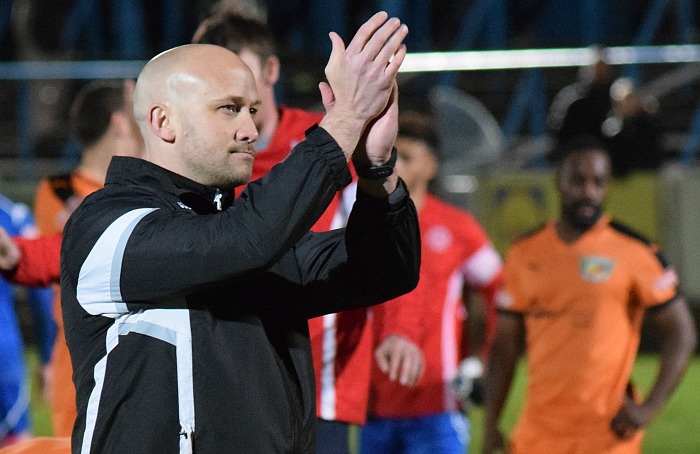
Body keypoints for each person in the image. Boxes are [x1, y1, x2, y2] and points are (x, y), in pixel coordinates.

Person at [61, 12, 418, 454]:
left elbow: (384, 270)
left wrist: (375, 170)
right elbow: (241, 241)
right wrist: (344, 119)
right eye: (229, 108)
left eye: (252, 110)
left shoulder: (243, 235)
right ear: (163, 122)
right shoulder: (107, 226)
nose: (250, 130)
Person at [192, 11, 420, 453]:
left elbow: (385, 241)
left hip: (325, 381)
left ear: (271, 71)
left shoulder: (332, 136)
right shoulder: (204, 158)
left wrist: (399, 327)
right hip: (233, 377)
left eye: (238, 71)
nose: (228, 88)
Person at [483, 135, 697, 454]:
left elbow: (682, 333)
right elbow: (504, 347)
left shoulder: (635, 252)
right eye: (578, 180)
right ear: (559, 180)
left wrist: (648, 409)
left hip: (608, 435)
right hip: (537, 435)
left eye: (599, 182)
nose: (588, 192)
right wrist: (490, 426)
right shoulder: (523, 253)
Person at [359, 111, 503, 454]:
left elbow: (501, 290)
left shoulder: (457, 227)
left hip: (437, 404)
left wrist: (482, 359)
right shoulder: (362, 224)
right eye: (391, 155)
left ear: (431, 167)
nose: (395, 166)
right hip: (373, 405)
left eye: (406, 157)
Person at [32, 78, 144, 437]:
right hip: (81, 357)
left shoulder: (144, 187)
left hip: (142, 356)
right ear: (120, 122)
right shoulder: (59, 192)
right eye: (137, 110)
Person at [0, 195, 55, 447]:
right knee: (15, 444)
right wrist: (46, 357)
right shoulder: (11, 214)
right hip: (4, 357)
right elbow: (41, 297)